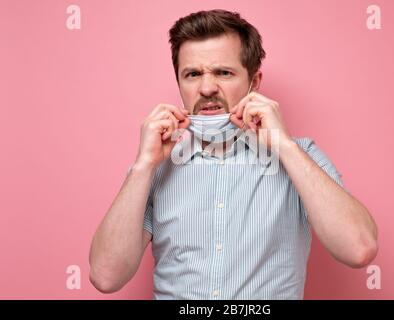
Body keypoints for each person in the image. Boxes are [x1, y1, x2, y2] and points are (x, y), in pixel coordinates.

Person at [89, 9, 378, 299]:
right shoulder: (154, 167)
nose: (206, 87)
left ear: (254, 82)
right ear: (179, 82)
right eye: (192, 74)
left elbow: (359, 249)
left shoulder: (301, 156)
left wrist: (284, 146)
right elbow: (105, 276)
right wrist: (143, 166)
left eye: (223, 72)